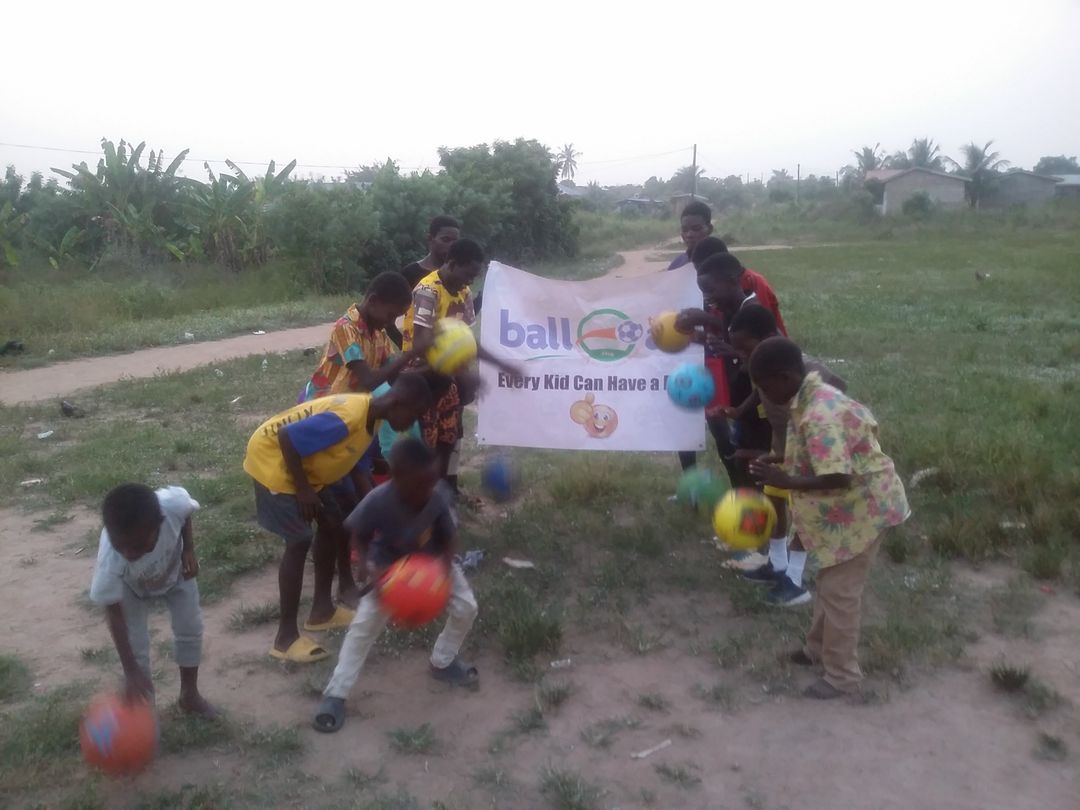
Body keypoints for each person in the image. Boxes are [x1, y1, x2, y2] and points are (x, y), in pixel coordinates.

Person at [748, 337, 909, 699]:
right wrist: (777, 461)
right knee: (829, 582)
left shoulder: (819, 414)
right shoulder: (807, 398)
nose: (764, 394)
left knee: (840, 593)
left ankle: (842, 677)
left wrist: (786, 481)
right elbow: (817, 453)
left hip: (864, 510)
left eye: (765, 386)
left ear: (785, 376)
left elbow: (838, 475)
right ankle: (816, 650)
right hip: (851, 508)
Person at [243, 375, 433, 663]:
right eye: (414, 415)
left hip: (305, 467)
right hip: (274, 460)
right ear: (398, 403)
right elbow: (287, 437)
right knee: (299, 540)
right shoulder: (350, 417)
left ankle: (322, 612)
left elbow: (353, 460)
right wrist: (304, 490)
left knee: (335, 524)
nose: (412, 424)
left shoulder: (372, 418)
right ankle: (285, 639)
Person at [313, 438, 478, 733]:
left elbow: (449, 538)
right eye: (420, 484)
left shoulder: (436, 495)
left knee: (467, 607)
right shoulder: (378, 500)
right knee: (362, 628)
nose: (427, 490)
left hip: (432, 565)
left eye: (431, 482)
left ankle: (443, 661)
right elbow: (358, 536)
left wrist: (442, 572)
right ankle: (336, 694)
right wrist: (371, 569)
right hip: (389, 570)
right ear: (396, 477)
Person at [728, 305, 846, 606]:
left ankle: (794, 580)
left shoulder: (802, 368)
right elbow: (759, 392)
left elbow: (839, 388)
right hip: (785, 445)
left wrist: (828, 419)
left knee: (803, 511)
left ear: (767, 336)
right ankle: (777, 563)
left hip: (813, 448)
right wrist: (740, 411)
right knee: (774, 500)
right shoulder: (763, 366)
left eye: (745, 348)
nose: (742, 356)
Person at [402, 238, 518, 496]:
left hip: (446, 375)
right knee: (427, 441)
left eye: (475, 276)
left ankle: (447, 490)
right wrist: (461, 373)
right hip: (419, 378)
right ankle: (424, 495)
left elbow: (466, 341)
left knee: (451, 435)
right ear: (452, 264)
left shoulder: (463, 292)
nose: (470, 282)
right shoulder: (428, 291)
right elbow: (420, 344)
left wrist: (503, 365)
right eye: (469, 274)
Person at [89, 484, 216, 717]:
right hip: (131, 588)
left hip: (175, 572)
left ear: (160, 523)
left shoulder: (173, 504)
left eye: (138, 545)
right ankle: (144, 715)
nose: (128, 553)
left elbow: (186, 513)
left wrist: (188, 548)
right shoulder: (110, 560)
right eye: (120, 545)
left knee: (190, 627)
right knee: (135, 647)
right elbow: (114, 614)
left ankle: (189, 696)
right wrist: (131, 671)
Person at [677, 252, 771, 488]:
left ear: (731, 281)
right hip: (746, 407)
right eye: (703, 293)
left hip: (763, 413)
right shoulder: (732, 311)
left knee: (759, 469)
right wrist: (701, 338)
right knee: (744, 462)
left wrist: (733, 352)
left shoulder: (751, 313)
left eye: (710, 290)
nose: (708, 298)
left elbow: (769, 360)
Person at [301, 272, 427, 403]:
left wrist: (417, 368)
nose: (391, 322)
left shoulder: (380, 335)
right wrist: (409, 354)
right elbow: (369, 380)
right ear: (373, 301)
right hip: (327, 406)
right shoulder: (345, 328)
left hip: (352, 404)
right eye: (391, 315)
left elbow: (391, 373)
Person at [387, 216, 462, 346]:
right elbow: (389, 320)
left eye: (455, 242)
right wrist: (407, 348)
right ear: (430, 239)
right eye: (446, 240)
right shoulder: (410, 274)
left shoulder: (458, 276)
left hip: (451, 352)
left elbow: (461, 316)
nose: (451, 246)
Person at [690, 237, 787, 336]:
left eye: (704, 267)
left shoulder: (752, 282)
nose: (701, 272)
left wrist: (706, 318)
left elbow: (754, 329)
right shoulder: (723, 298)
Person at [665, 200, 713, 272]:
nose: (689, 235)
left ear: (709, 229)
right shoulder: (677, 264)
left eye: (696, 229)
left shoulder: (722, 265)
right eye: (684, 230)